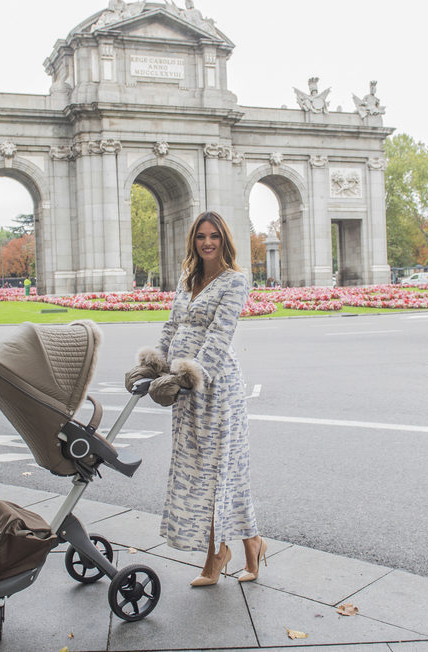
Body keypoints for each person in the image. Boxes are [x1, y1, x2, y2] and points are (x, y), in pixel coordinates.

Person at [124, 211, 266, 587]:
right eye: (201, 236)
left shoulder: (236, 281)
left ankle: (215, 554)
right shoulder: (188, 281)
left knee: (215, 472)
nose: (207, 242)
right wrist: (153, 365)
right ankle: (252, 542)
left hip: (216, 388)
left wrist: (190, 375)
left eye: (214, 236)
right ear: (194, 241)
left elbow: (220, 336)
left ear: (224, 241)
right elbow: (172, 327)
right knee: (196, 471)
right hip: (183, 388)